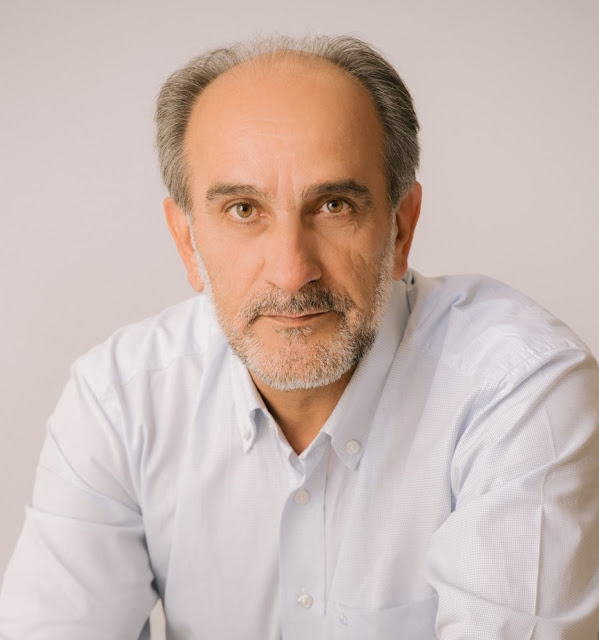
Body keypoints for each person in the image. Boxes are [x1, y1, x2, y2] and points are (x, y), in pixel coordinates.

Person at [0, 34, 598, 640]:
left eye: (334, 205)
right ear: (187, 241)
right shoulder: (120, 400)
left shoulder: (519, 387)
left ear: (401, 228)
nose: (291, 272)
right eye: (243, 209)